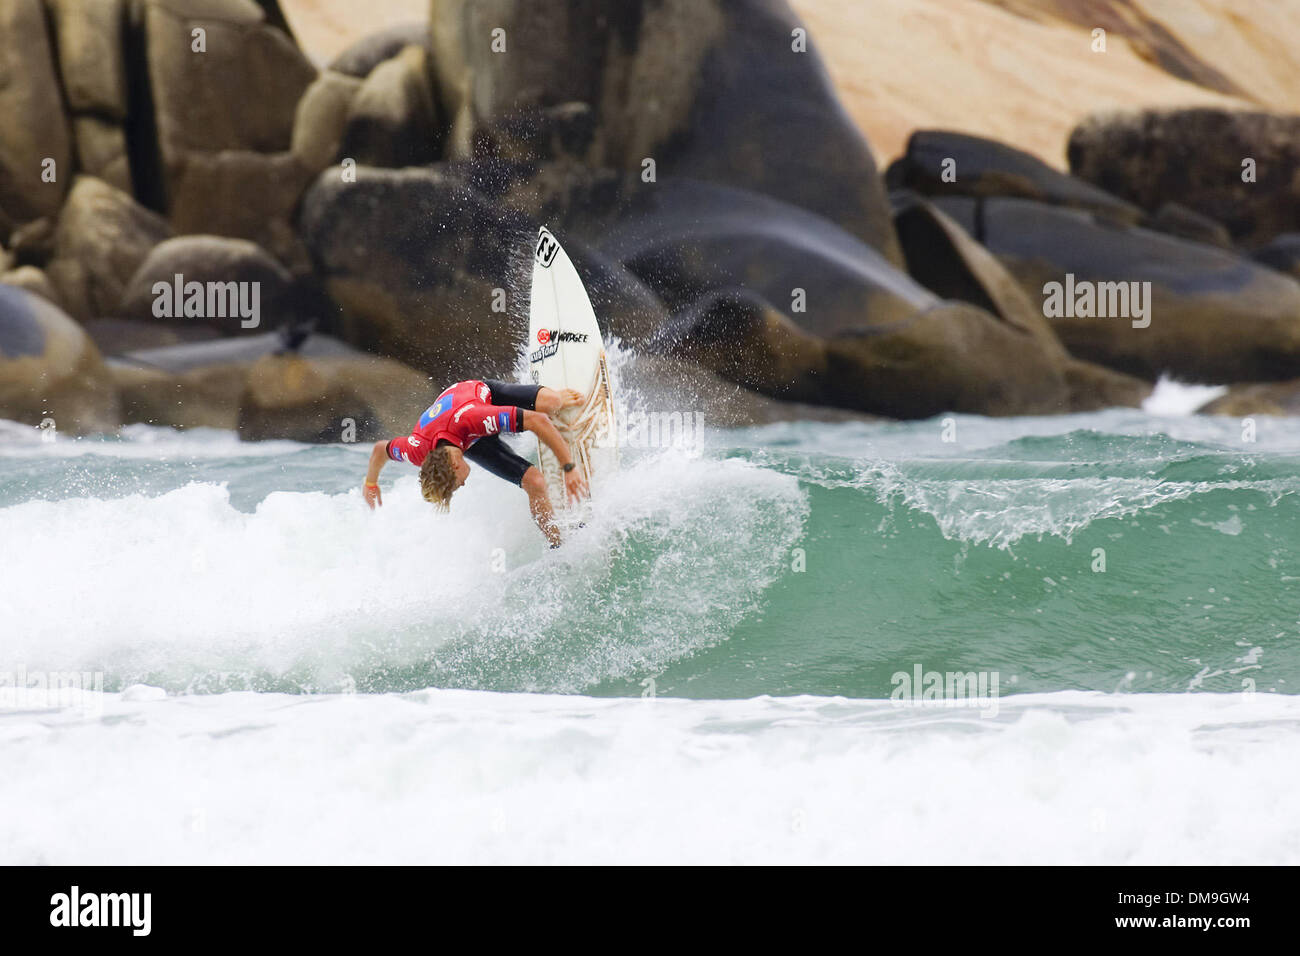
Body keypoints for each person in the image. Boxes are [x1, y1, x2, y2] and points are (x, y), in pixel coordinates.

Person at [362, 379, 587, 546]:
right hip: (468, 442)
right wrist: (370, 483)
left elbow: (538, 421)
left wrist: (569, 467)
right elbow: (380, 449)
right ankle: (558, 545)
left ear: (454, 467)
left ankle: (549, 398)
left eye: (456, 484)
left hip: (481, 399)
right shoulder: (415, 451)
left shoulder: (475, 418)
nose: (462, 485)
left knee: (553, 403)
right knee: (535, 482)